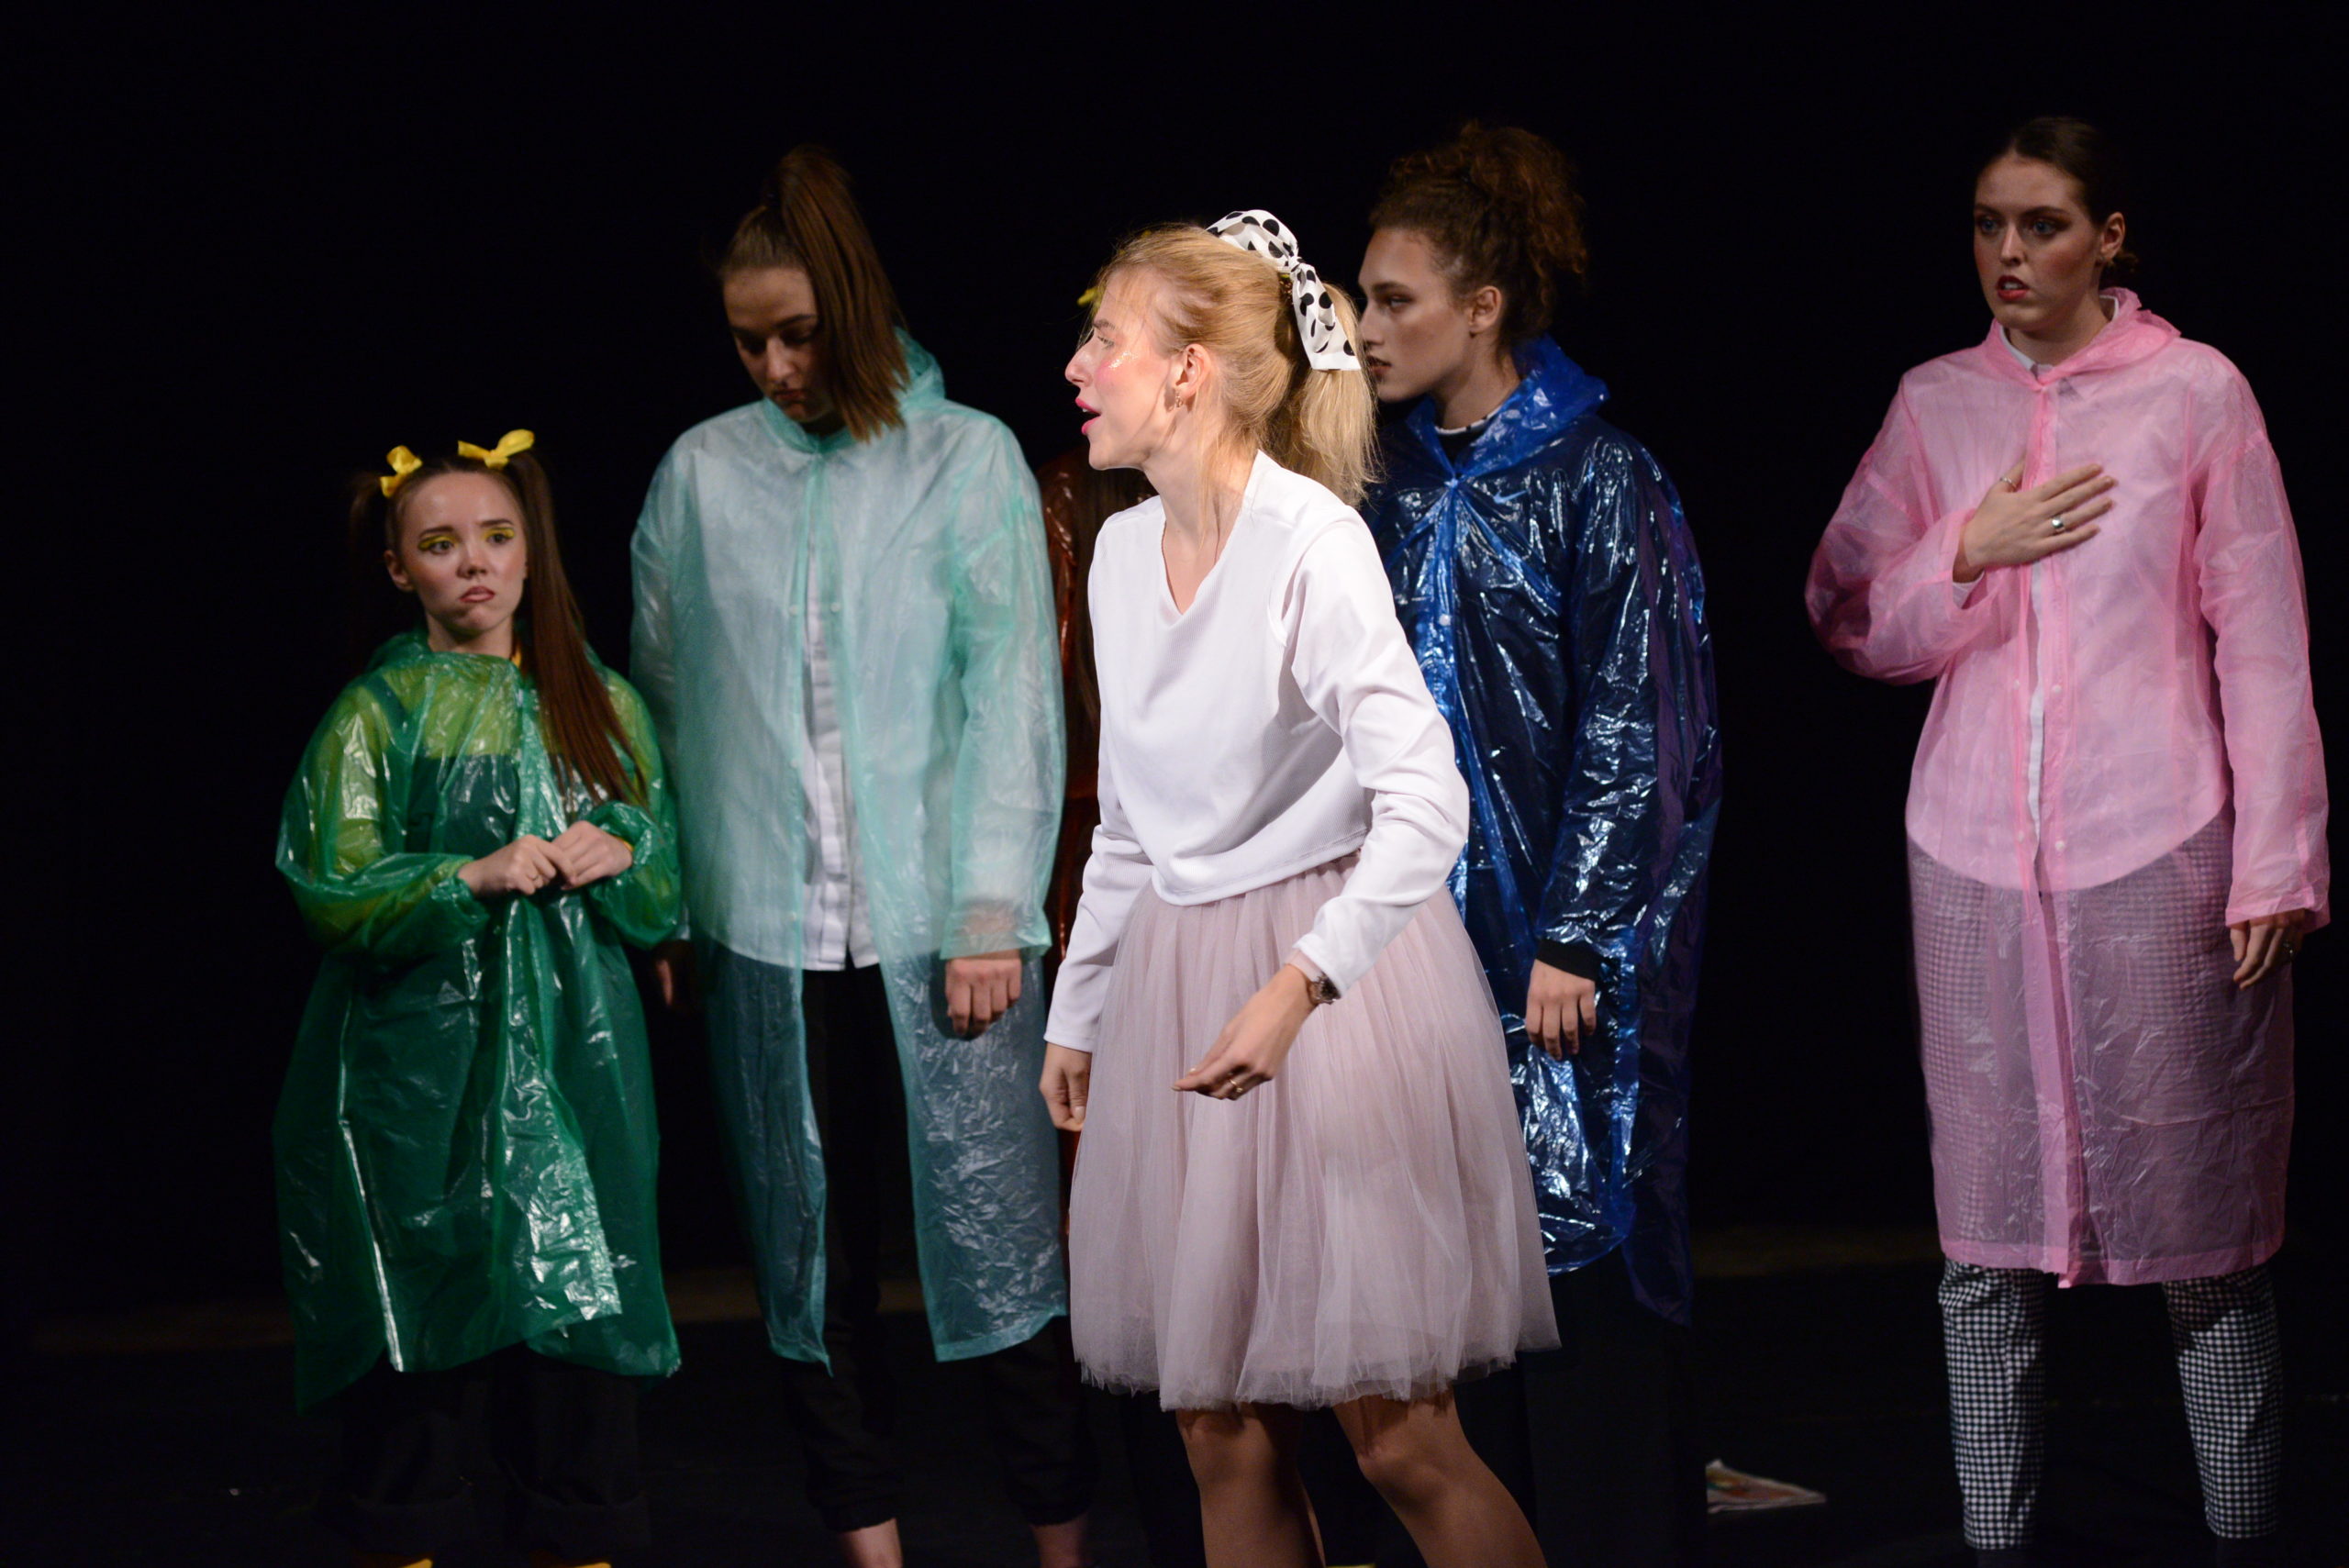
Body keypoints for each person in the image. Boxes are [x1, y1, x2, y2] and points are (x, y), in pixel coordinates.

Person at [1807, 117, 2325, 1568]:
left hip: (2159, 846)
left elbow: (2264, 637)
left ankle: (2244, 1532)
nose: (2010, 253)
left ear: (2110, 237)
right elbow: (1847, 613)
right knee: (1985, 1243)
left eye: (2042, 224)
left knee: (2207, 1240)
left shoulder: (2194, 393)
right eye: (1989, 224)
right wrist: (1968, 550)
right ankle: (1998, 1539)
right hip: (1973, 852)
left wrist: (2278, 857)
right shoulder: (1937, 403)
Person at [1041, 210, 1557, 1568]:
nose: (1079, 368)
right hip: (1180, 980)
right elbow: (1133, 823)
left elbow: (1426, 798)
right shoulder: (1118, 553)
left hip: (1330, 986)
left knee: (1396, 1433)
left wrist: (1300, 984)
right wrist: (1079, 1010)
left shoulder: (1309, 543)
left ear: (1189, 369)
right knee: (1218, 1428)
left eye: (1105, 338)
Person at [629, 147, 1088, 1568]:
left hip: (946, 926)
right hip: (767, 928)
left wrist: (991, 906)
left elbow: (1012, 697)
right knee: (808, 1265)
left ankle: (1061, 1545)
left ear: (856, 307)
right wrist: (667, 902)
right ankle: (871, 1550)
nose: (775, 367)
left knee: (1004, 1242)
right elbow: (659, 705)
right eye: (747, 342)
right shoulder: (702, 475)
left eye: (797, 333)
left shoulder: (967, 457)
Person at [1354, 124, 1722, 1564]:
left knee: (1584, 1261)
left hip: (1558, 964)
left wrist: (1579, 931)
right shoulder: (1380, 484)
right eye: (1363, 298)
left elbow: (1642, 722)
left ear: (1483, 307)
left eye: (1395, 300)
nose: (1366, 326)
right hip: (1414, 947)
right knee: (1447, 1292)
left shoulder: (1599, 477)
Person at [276, 431, 680, 1568]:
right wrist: (465, 876)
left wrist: (627, 848)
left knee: (578, 1307)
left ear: (530, 549)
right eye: (441, 543)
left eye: (497, 536)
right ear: (399, 567)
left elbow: (665, 885)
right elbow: (332, 886)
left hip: (576, 1057)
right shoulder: (377, 712)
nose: (475, 563)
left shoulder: (597, 701)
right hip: (420, 1070)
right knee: (425, 1310)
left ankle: (579, 1536)